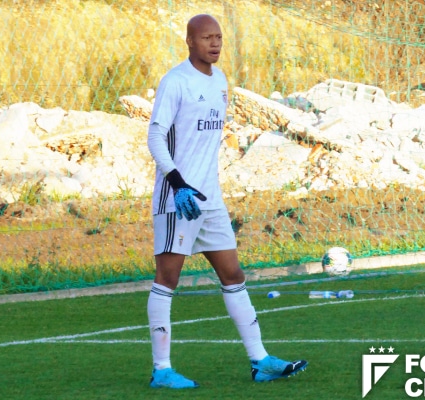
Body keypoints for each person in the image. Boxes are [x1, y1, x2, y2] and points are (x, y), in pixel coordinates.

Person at [145, 14, 308, 389]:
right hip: (178, 199)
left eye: (218, 37)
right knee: (167, 279)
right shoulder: (175, 82)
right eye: (206, 38)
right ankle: (161, 370)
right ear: (190, 41)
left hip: (210, 199)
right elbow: (155, 137)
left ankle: (260, 362)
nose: (215, 43)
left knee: (233, 275)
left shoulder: (219, 80)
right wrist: (178, 184)